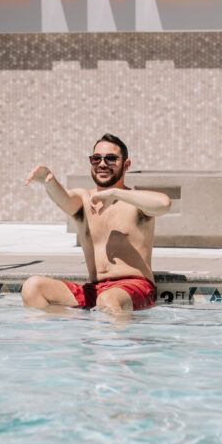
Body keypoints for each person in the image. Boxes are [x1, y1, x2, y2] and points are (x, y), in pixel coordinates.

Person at [22, 134, 171, 313]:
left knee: (107, 299)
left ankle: (117, 338)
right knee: (33, 287)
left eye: (110, 159)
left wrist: (115, 193)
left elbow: (164, 204)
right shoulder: (85, 199)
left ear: (126, 165)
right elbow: (64, 199)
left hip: (135, 287)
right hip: (95, 290)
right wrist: (49, 181)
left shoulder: (135, 202)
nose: (102, 164)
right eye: (96, 159)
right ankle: (73, 328)